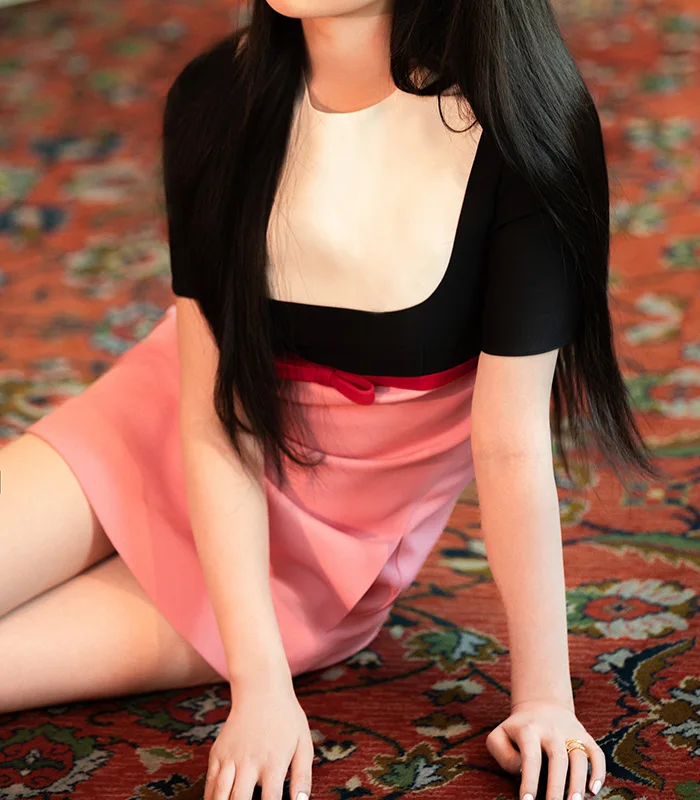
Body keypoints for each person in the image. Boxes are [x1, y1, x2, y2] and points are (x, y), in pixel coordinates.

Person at [0, 1, 661, 799]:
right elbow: (214, 414)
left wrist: (545, 700)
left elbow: (510, 445)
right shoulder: (216, 96)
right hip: (159, 429)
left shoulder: (523, 131)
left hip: (318, 557)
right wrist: (256, 685)